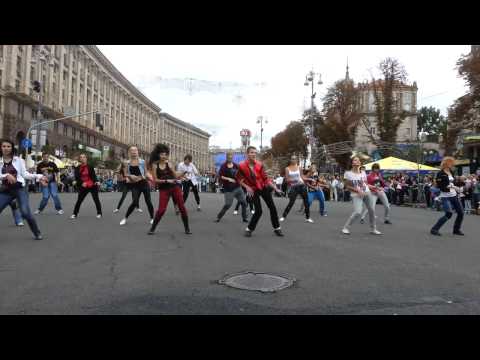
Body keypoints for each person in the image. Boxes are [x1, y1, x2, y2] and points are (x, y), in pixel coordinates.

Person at [0, 139, 48, 240]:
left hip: (19, 189)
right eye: (4, 146)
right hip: (6, 191)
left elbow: (25, 174)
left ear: (12, 148)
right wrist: (6, 175)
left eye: (8, 146)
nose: (6, 148)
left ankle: (37, 232)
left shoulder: (18, 160)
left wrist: (39, 176)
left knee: (25, 212)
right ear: (1, 147)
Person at [236, 146, 284, 237]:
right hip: (253, 190)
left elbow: (266, 179)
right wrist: (247, 187)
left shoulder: (259, 165)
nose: (254, 154)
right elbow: (238, 179)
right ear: (247, 154)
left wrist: (276, 188)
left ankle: (277, 228)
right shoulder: (241, 166)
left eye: (255, 152)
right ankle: (249, 229)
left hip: (263, 187)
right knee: (258, 211)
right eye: (251, 152)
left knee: (272, 207)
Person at [148, 143, 191, 235]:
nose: (164, 156)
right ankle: (153, 228)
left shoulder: (169, 164)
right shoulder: (155, 165)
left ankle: (187, 228)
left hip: (175, 187)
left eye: (165, 154)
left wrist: (183, 173)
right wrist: (167, 181)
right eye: (162, 154)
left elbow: (175, 175)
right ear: (158, 154)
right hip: (164, 190)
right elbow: (156, 180)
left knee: (182, 207)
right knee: (161, 210)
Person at [341, 156, 382, 235]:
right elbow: (347, 186)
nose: (357, 161)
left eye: (358, 160)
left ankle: (373, 229)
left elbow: (365, 184)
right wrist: (358, 191)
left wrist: (374, 187)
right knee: (358, 212)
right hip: (356, 194)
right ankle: (345, 228)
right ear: (352, 163)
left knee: (372, 211)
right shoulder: (348, 173)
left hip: (367, 193)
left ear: (360, 163)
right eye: (355, 160)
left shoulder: (363, 172)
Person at [119, 146, 155, 226]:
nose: (134, 152)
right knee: (135, 202)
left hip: (144, 183)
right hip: (134, 185)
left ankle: (152, 218)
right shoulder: (126, 163)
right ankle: (125, 218)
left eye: (135, 150)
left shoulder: (142, 161)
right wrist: (130, 176)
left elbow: (145, 172)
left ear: (138, 152)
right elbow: (125, 174)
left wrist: (150, 178)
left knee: (148, 201)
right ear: (129, 152)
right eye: (132, 150)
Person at [430, 157, 465, 236]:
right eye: (451, 163)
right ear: (446, 163)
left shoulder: (451, 172)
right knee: (449, 214)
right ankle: (434, 229)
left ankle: (456, 230)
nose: (453, 164)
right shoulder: (440, 173)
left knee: (461, 213)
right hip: (445, 197)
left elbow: (454, 182)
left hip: (454, 195)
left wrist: (460, 184)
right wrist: (451, 186)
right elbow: (440, 186)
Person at [215, 151, 248, 223]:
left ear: (233, 157)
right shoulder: (223, 166)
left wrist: (242, 178)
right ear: (226, 157)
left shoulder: (236, 165)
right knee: (228, 204)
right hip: (229, 189)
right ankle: (219, 217)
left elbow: (240, 174)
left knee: (244, 203)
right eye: (229, 157)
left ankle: (244, 218)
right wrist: (228, 179)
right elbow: (220, 176)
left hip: (238, 187)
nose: (230, 158)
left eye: (231, 157)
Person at [279, 156, 313, 223]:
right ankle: (283, 216)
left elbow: (302, 177)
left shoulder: (299, 167)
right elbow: (287, 179)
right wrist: (295, 180)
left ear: (297, 160)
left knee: (306, 202)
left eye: (295, 159)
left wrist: (309, 179)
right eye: (292, 159)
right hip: (294, 187)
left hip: (302, 186)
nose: (294, 160)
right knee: (291, 202)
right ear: (290, 160)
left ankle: (308, 218)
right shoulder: (287, 168)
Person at [70, 153, 102, 219]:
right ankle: (75, 214)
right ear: (80, 159)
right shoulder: (77, 168)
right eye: (81, 157)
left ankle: (99, 213)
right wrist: (81, 183)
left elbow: (93, 176)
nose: (82, 158)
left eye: (84, 157)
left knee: (96, 199)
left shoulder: (90, 166)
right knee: (79, 200)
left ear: (86, 159)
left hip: (92, 185)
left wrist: (96, 181)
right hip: (83, 186)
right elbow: (77, 178)